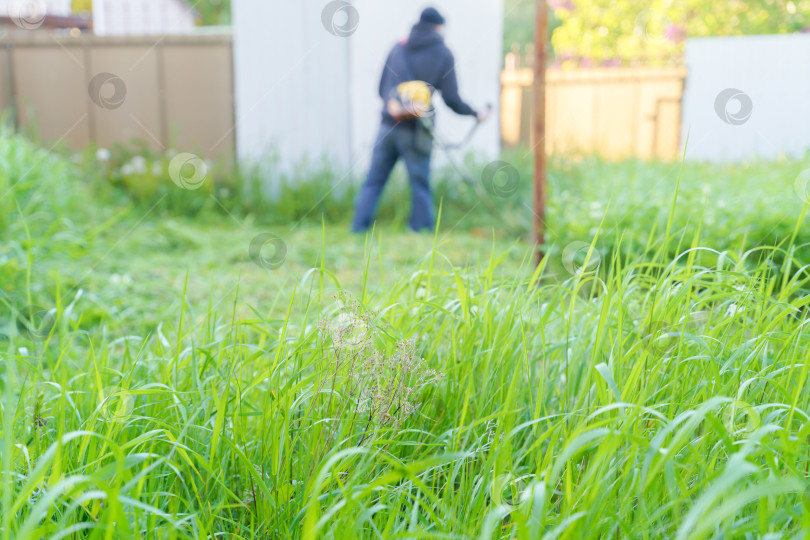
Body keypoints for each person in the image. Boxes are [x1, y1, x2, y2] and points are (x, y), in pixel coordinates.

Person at [351, 7, 491, 233]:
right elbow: (452, 99)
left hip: (387, 126)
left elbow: (381, 90)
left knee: (374, 181)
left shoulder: (399, 47)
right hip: (416, 132)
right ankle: (420, 231)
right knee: (420, 185)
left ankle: (358, 228)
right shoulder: (443, 53)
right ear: (439, 27)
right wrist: (476, 114)